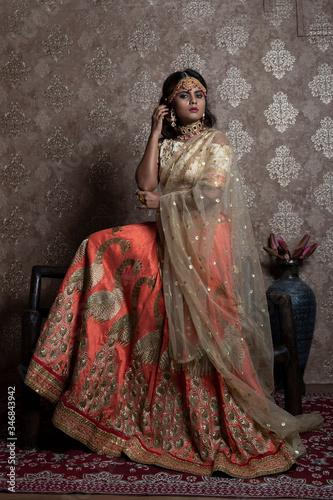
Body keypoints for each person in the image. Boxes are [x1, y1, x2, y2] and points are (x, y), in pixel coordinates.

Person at [25, 69, 322, 478]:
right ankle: (78, 364)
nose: (194, 100)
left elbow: (211, 194)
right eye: (184, 95)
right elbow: (144, 182)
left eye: (199, 94)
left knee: (197, 319)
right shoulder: (166, 144)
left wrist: (161, 201)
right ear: (170, 105)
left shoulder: (215, 142)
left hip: (204, 241)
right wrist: (153, 132)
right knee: (98, 243)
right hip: (168, 232)